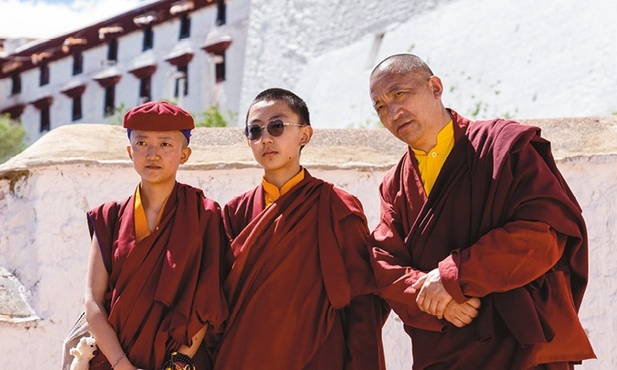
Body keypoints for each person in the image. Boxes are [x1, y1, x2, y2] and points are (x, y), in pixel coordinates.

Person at [369, 54, 595, 369]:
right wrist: (435, 299)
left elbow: (542, 236)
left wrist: (454, 277)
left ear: (435, 87)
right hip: (445, 350)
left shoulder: (501, 146)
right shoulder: (395, 185)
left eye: (399, 94)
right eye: (380, 106)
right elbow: (384, 267)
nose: (393, 112)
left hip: (520, 348)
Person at [212, 88, 387, 369]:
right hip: (246, 357)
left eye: (277, 126)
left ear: (305, 135)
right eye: (254, 131)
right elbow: (218, 304)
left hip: (318, 358)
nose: (265, 138)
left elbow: (362, 303)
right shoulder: (235, 213)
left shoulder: (336, 207)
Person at [84, 101, 228, 370]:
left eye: (165, 144)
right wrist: (123, 366)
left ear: (184, 154)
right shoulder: (109, 218)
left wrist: (180, 362)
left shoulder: (204, 214)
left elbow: (208, 300)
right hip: (113, 361)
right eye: (141, 144)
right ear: (130, 152)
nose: (152, 154)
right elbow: (93, 300)